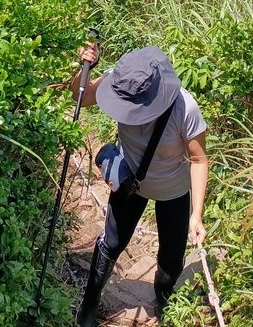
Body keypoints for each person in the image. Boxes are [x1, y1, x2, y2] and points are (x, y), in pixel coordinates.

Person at [70, 40, 208, 326]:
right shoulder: (119, 84)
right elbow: (80, 97)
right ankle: (90, 305)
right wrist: (84, 68)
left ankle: (164, 299)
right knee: (111, 243)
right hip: (131, 180)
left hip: (173, 190)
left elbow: (198, 160)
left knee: (171, 258)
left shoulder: (186, 109)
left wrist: (196, 215)